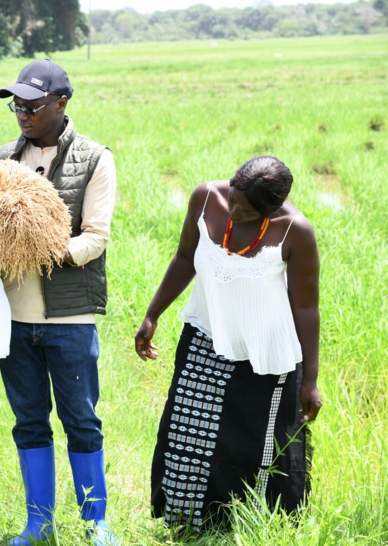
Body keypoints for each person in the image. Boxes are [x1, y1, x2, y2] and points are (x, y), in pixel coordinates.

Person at [134, 155, 322, 533]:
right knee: (187, 433)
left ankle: (255, 528)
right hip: (206, 337)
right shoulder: (206, 199)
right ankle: (187, 526)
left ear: (273, 208)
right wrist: (152, 314)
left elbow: (306, 307)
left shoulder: (294, 231)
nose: (234, 212)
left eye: (247, 210)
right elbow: (185, 258)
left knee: (257, 445)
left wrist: (310, 380)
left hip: (266, 355)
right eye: (234, 197)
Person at [0, 59, 119, 546]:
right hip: (14, 318)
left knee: (81, 419)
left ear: (61, 103)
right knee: (28, 420)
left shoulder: (94, 158)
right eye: (15, 105)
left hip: (69, 317)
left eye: (32, 105)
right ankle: (38, 523)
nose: (22, 113)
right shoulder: (5, 158)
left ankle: (96, 522)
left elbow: (95, 238)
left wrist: (41, 250)